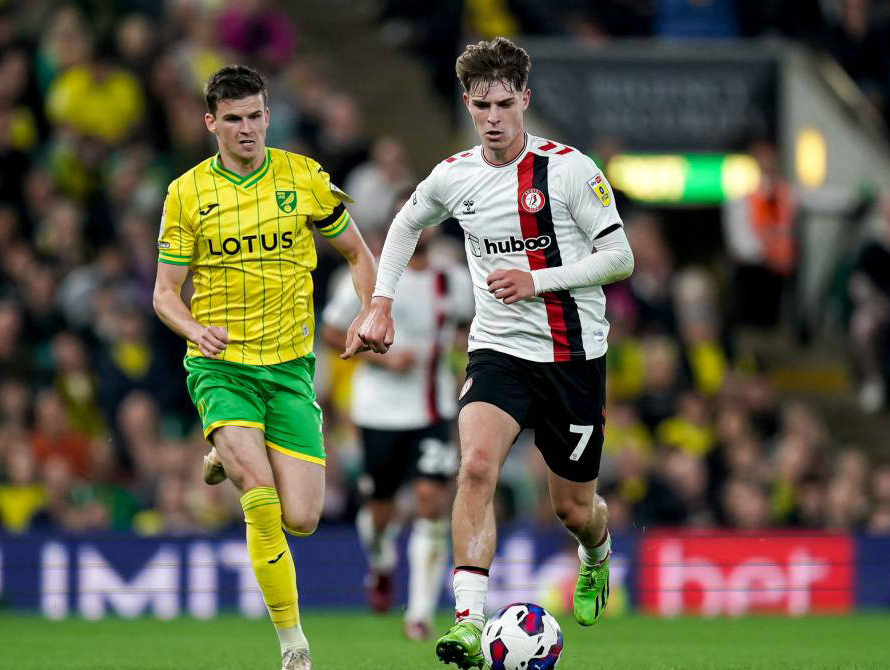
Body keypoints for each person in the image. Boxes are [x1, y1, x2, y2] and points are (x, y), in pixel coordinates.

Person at [351, 37, 634, 669]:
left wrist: (539, 280)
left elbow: (620, 257)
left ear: (525, 100)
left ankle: (596, 554)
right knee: (476, 467)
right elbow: (405, 224)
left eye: (505, 103)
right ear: (468, 105)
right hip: (498, 350)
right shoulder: (455, 175)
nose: (494, 117)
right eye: (482, 106)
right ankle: (468, 623)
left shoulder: (570, 170)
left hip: (572, 356)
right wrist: (381, 302)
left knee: (573, 509)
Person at [152, 65, 377, 670]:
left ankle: (223, 453)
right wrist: (194, 329)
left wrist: (370, 311)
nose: (246, 129)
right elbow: (165, 293)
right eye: (233, 119)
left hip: (290, 370)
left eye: (255, 116)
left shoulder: (303, 178)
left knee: (301, 517)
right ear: (211, 123)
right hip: (221, 367)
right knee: (260, 495)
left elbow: (358, 254)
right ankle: (293, 645)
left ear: (268, 116)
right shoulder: (187, 194)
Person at [322, 192, 474, 641]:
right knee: (380, 513)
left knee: (430, 500)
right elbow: (331, 332)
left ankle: (420, 614)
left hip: (433, 408)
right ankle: (382, 562)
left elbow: (466, 327)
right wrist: (383, 359)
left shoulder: (454, 279)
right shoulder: (371, 274)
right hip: (379, 411)